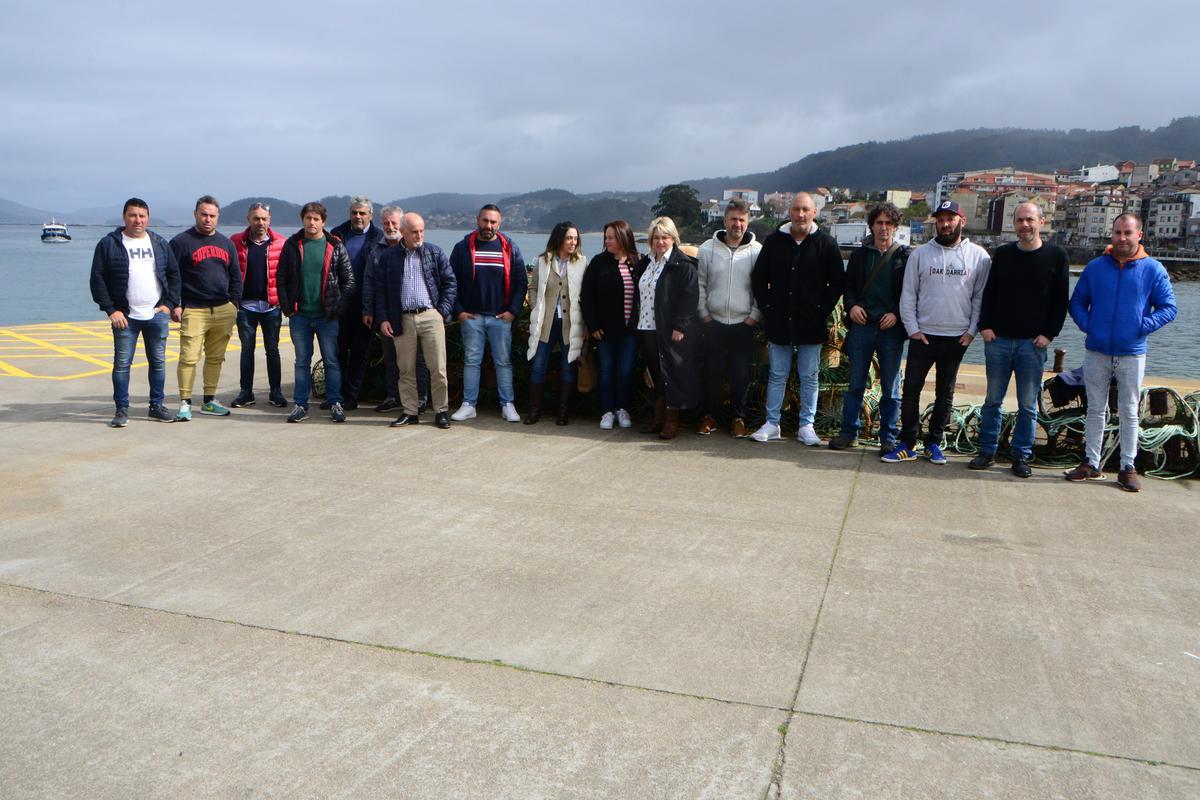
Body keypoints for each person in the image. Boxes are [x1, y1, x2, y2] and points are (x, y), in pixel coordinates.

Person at [1064, 213, 1177, 492]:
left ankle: (1128, 466)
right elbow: (1077, 302)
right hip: (1097, 351)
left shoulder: (1153, 269)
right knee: (1095, 408)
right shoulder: (1095, 268)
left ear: (1139, 235)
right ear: (1111, 235)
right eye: (1117, 233)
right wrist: (1089, 325)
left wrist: (1142, 325)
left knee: (1129, 411)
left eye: (1128, 233)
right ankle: (1091, 462)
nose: (1122, 238)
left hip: (1132, 351)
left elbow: (1168, 308)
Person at [884, 200, 990, 464]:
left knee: (946, 392)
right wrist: (912, 329)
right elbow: (908, 294)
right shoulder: (920, 254)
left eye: (950, 219)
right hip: (923, 335)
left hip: (957, 337)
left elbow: (980, 298)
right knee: (911, 390)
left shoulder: (979, 256)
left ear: (961, 222)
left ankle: (934, 443)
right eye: (940, 220)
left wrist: (971, 331)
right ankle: (907, 442)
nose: (945, 224)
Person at [970, 202, 1069, 478]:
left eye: (1030, 220)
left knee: (1027, 404)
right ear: (1013, 224)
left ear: (1041, 221)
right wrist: (985, 326)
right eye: (1020, 221)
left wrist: (1049, 334)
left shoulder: (1056, 256)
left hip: (1032, 345)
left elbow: (1061, 301)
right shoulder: (1002, 254)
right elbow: (989, 293)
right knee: (992, 400)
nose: (1025, 225)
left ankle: (1021, 456)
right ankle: (987, 451)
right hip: (998, 340)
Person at [750, 192, 845, 445]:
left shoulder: (826, 243)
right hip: (779, 320)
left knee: (809, 375)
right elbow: (759, 278)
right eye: (796, 209)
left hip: (811, 321)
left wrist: (821, 309)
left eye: (805, 209)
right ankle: (772, 423)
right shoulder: (774, 242)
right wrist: (768, 308)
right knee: (777, 374)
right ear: (789, 212)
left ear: (814, 212)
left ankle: (807, 425)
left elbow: (837, 282)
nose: (800, 214)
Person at [89, 197, 181, 427]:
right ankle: (121, 410)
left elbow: (174, 274)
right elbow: (97, 279)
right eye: (132, 215)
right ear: (124, 217)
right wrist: (111, 310)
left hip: (156, 315)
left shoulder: (159, 243)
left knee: (158, 362)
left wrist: (168, 305)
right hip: (125, 317)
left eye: (141, 216)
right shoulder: (109, 244)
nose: (137, 220)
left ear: (147, 218)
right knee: (122, 364)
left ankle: (156, 406)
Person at [830, 202, 910, 453]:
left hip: (890, 328)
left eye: (888, 223)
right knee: (855, 384)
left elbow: (911, 292)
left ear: (895, 227)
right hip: (862, 326)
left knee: (891, 386)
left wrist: (896, 314)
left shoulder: (904, 257)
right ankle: (848, 432)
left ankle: (887, 436)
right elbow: (849, 287)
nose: (883, 228)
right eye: (879, 223)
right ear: (872, 226)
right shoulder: (859, 256)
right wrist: (852, 307)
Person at [373, 212, 456, 429]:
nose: (419, 235)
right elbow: (380, 291)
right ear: (402, 232)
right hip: (402, 318)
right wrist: (383, 319)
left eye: (421, 230)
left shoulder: (434, 252)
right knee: (406, 368)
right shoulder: (389, 257)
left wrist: (442, 311)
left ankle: (441, 410)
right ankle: (410, 411)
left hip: (431, 316)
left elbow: (450, 283)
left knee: (437, 367)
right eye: (414, 232)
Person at [275, 202, 355, 423]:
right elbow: (281, 279)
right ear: (303, 220)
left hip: (327, 316)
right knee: (302, 361)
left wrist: (338, 308)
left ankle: (335, 402)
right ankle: (300, 405)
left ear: (323, 222)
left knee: (331, 360)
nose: (311, 222)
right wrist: (288, 308)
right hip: (300, 316)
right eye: (308, 218)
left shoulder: (335, 244)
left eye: (316, 219)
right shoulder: (292, 244)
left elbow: (349, 281)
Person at [449, 204, 527, 422]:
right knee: (471, 361)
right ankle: (469, 405)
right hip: (471, 317)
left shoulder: (509, 247)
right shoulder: (462, 247)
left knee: (503, 362)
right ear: (477, 220)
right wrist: (459, 312)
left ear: (499, 224)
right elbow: (450, 282)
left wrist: (512, 311)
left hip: (500, 318)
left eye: (493, 222)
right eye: (485, 221)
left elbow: (521, 282)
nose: (489, 226)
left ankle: (507, 404)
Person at [169, 195, 242, 421]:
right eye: (204, 214)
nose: (207, 219)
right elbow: (171, 276)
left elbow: (235, 276)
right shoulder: (181, 242)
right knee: (189, 357)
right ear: (195, 214)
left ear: (218, 217)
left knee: (215, 358)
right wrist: (175, 304)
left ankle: (209, 400)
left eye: (212, 215)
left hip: (222, 309)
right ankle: (185, 402)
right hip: (194, 309)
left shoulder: (226, 243)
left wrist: (234, 304)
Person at [695, 198, 762, 438]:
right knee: (712, 372)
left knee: (740, 374)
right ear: (725, 220)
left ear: (748, 222)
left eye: (742, 220)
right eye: (733, 219)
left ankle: (738, 418)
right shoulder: (706, 249)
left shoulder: (757, 251)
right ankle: (709, 417)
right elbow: (700, 284)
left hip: (743, 323)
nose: (737, 224)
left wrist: (754, 316)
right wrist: (703, 314)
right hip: (714, 322)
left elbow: (761, 288)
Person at [634, 216, 699, 440]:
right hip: (645, 327)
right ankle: (658, 418)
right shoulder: (646, 263)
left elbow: (689, 299)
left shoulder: (682, 265)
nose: (660, 242)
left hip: (669, 329)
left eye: (665, 237)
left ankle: (671, 422)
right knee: (655, 374)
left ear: (673, 238)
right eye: (656, 237)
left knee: (671, 374)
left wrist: (680, 326)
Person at [361, 205, 425, 413]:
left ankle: (421, 398)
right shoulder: (376, 250)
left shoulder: (418, 248)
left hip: (413, 312)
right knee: (391, 358)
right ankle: (393, 396)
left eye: (394, 223)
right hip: (387, 314)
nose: (390, 227)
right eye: (386, 223)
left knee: (418, 360)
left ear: (403, 226)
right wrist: (368, 310)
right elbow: (369, 282)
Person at [524, 221, 587, 425]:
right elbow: (532, 288)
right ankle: (534, 411)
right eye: (569, 237)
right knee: (538, 364)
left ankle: (563, 412)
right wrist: (535, 308)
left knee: (568, 367)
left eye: (575, 238)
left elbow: (585, 293)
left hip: (571, 324)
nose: (573, 242)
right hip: (546, 322)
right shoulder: (543, 261)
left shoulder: (581, 262)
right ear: (559, 238)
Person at [580, 220, 640, 430]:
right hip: (604, 331)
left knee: (625, 371)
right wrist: (593, 325)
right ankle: (607, 411)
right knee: (606, 370)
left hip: (630, 331)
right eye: (606, 237)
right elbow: (586, 297)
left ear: (624, 237)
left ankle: (622, 409)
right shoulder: (598, 262)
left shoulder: (637, 261)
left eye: (611, 237)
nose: (607, 241)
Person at [229, 202, 287, 409]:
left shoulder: (281, 242)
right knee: (247, 351)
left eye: (264, 219)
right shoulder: (236, 242)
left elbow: (288, 274)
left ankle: (276, 392)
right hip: (245, 307)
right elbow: (228, 270)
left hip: (272, 306)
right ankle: (246, 392)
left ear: (269, 220)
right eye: (256, 218)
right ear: (249, 219)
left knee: (273, 350)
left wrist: (285, 300)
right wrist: (232, 299)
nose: (260, 222)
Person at [330, 196, 383, 410]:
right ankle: (335, 395)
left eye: (362, 213)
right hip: (339, 304)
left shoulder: (378, 237)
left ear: (371, 215)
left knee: (360, 354)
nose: (358, 217)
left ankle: (351, 396)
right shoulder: (337, 234)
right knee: (337, 353)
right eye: (354, 213)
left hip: (365, 306)